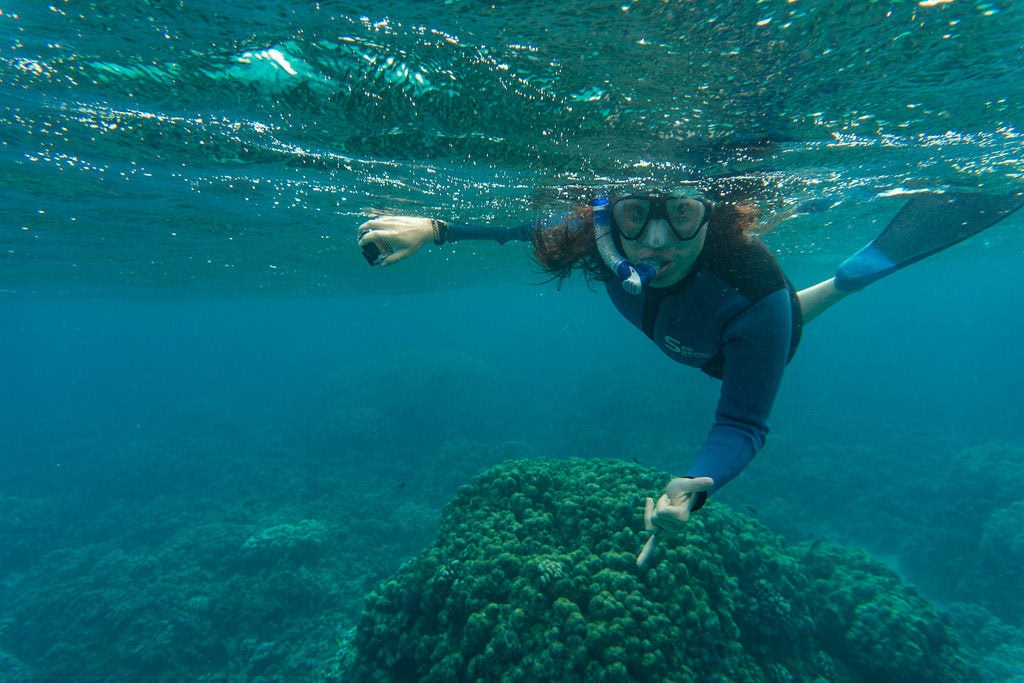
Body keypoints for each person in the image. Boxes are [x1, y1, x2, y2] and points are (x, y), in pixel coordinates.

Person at [356, 187, 1022, 566]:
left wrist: (697, 485)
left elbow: (741, 422)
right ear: (609, 213)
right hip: (698, 332)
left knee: (791, 317)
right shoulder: (598, 235)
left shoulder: (753, 294)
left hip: (742, 342)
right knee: (786, 314)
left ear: (712, 211)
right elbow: (524, 230)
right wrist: (437, 229)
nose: (654, 242)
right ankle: (841, 283)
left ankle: (852, 276)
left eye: (680, 213)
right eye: (635, 214)